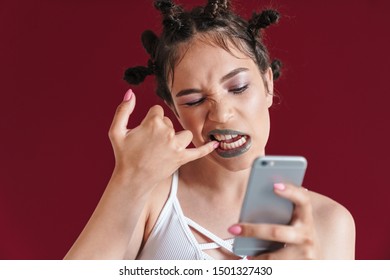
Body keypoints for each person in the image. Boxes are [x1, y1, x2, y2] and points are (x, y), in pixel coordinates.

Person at [64, 0, 355, 260]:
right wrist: (127, 177)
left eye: (239, 88)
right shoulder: (150, 197)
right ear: (174, 109)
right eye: (194, 100)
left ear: (268, 84)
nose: (221, 114)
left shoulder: (328, 222)